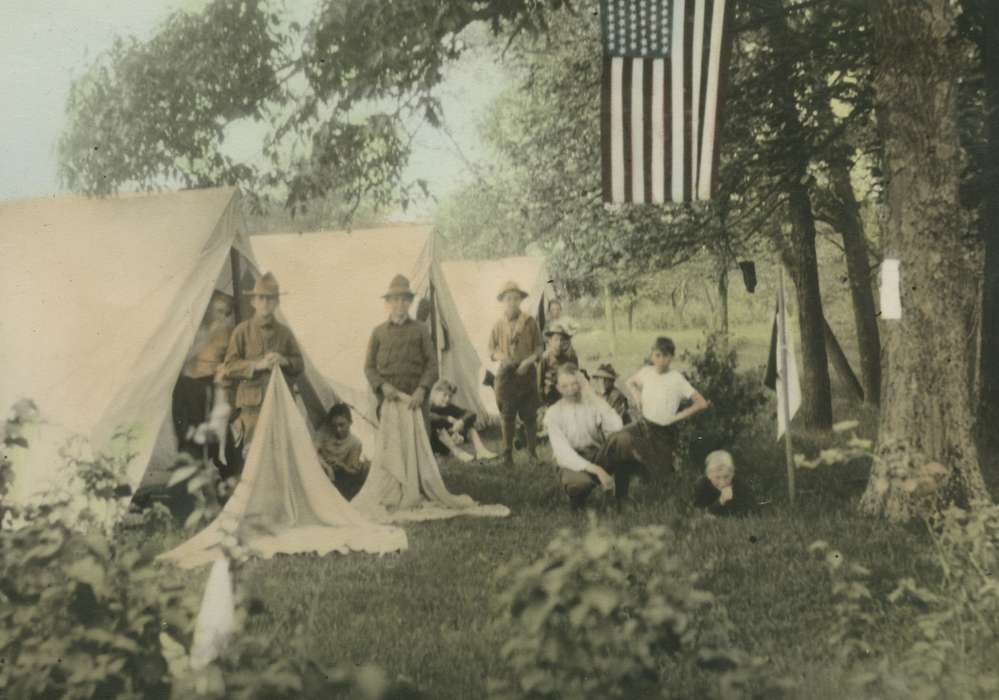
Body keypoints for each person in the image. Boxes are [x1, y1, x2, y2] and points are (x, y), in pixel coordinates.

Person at [221, 272, 304, 469]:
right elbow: (229, 367)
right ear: (253, 302)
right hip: (252, 409)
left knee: (280, 456)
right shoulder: (242, 331)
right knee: (252, 458)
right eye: (261, 298)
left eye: (271, 298)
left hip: (279, 404)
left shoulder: (285, 333)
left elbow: (300, 364)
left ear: (277, 303)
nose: (265, 303)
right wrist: (256, 366)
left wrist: (284, 360)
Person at [544, 364, 643, 510]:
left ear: (581, 384)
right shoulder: (553, 413)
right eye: (565, 386)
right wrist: (598, 471)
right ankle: (578, 501)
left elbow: (617, 427)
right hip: (571, 462)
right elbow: (564, 455)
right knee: (578, 484)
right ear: (558, 388)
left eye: (575, 384)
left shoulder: (592, 403)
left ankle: (622, 496)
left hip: (596, 454)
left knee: (623, 438)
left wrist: (591, 395)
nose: (571, 390)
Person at [623, 337, 709, 483]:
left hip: (664, 430)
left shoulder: (676, 379)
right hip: (644, 425)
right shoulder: (646, 372)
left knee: (660, 478)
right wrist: (637, 396)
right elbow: (629, 382)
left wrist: (677, 416)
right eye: (657, 355)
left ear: (671, 358)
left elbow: (701, 403)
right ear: (652, 355)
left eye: (666, 356)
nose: (661, 360)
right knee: (620, 439)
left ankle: (664, 469)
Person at [364, 274, 438, 430]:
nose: (400, 304)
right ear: (388, 303)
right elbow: (369, 367)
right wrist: (382, 386)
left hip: (415, 401)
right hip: (389, 400)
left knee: (419, 447)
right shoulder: (378, 332)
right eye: (395, 300)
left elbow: (432, 365)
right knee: (393, 448)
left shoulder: (421, 330)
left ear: (410, 302)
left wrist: (422, 389)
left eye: (404, 300)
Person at [172, 291, 235, 457]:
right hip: (190, 386)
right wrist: (208, 336)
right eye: (219, 311)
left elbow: (230, 358)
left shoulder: (226, 332)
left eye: (225, 312)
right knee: (191, 437)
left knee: (216, 434)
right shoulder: (195, 329)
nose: (222, 316)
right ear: (208, 310)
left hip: (213, 386)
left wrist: (223, 368)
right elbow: (181, 361)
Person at [488, 280, 544, 466]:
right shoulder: (498, 325)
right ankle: (507, 455)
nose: (512, 302)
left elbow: (539, 347)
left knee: (530, 415)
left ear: (521, 300)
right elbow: (491, 350)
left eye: (515, 298)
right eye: (508, 299)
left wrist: (528, 362)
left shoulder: (529, 322)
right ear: (503, 301)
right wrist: (502, 357)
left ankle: (532, 454)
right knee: (507, 414)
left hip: (526, 372)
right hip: (506, 375)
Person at [429, 379, 498, 463]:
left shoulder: (448, 407)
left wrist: (461, 422)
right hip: (431, 445)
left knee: (468, 422)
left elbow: (471, 414)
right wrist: (447, 419)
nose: (447, 399)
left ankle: (480, 450)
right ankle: (458, 453)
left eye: (450, 396)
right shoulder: (428, 406)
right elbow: (431, 417)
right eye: (444, 395)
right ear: (435, 393)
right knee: (438, 426)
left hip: (444, 444)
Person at [315, 403, 369, 500]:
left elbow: (352, 470)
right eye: (334, 425)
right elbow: (312, 450)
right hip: (319, 470)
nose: (338, 429)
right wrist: (327, 467)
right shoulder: (325, 431)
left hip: (339, 477)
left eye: (341, 425)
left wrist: (341, 465)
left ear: (350, 422)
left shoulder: (355, 443)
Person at [693, 450, 751, 516]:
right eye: (717, 477)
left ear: (732, 474)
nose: (722, 482)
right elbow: (699, 514)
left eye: (726, 477)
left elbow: (750, 512)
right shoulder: (701, 485)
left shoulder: (740, 485)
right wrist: (720, 501)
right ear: (709, 476)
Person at [538, 321, 580, 408]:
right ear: (550, 341)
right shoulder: (545, 358)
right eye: (556, 339)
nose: (559, 343)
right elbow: (539, 383)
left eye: (562, 340)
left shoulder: (570, 357)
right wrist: (542, 402)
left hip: (567, 395)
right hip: (551, 397)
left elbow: (577, 377)